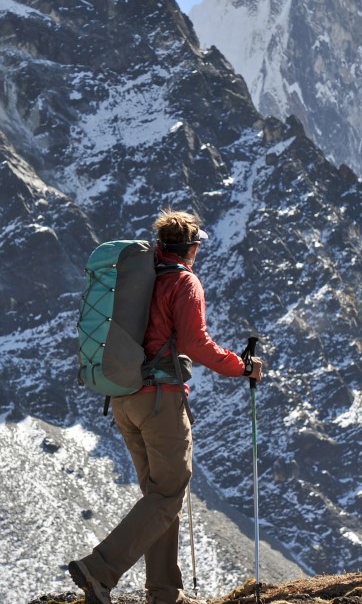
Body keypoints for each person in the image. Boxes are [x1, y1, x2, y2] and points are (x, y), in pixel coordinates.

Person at [69, 208, 266, 604]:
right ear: (192, 249)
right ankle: (100, 569)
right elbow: (195, 343)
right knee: (168, 494)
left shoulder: (137, 281)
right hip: (160, 400)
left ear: (159, 245)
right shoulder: (183, 282)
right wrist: (242, 366)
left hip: (124, 399)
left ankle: (163, 593)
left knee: (158, 498)